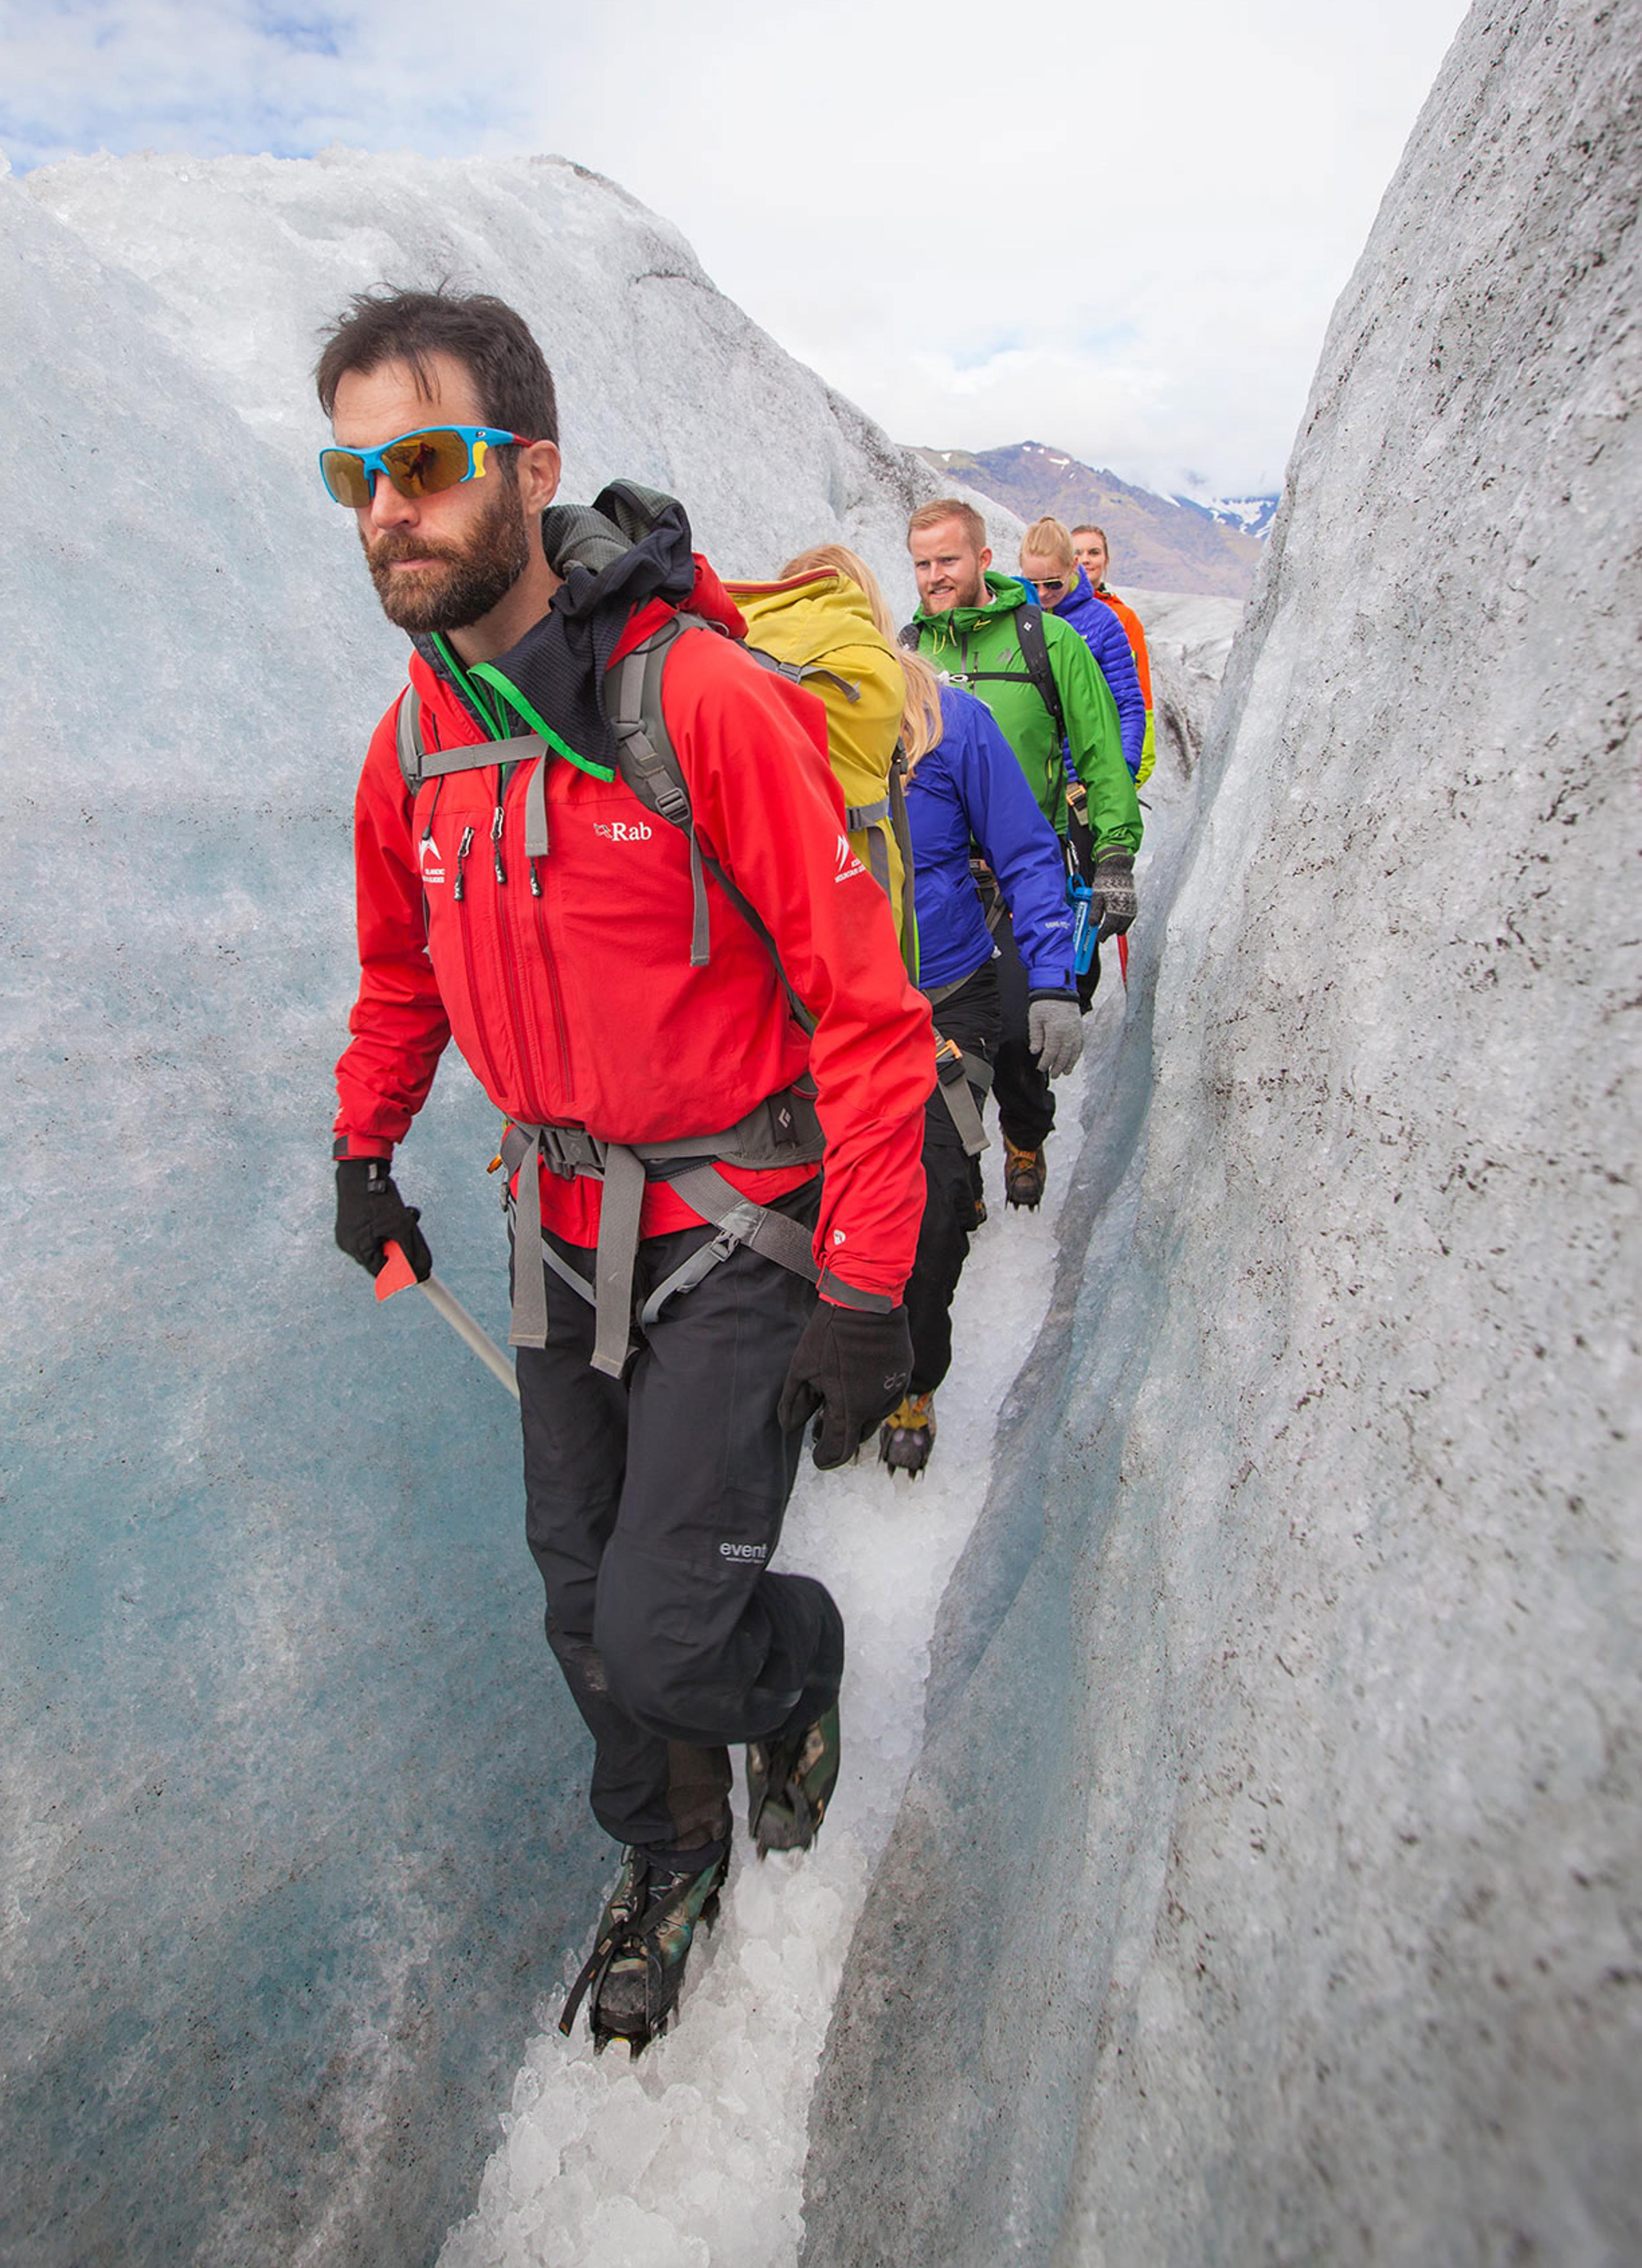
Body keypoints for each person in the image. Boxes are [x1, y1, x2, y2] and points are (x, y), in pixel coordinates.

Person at [322, 291, 937, 2056]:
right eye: (353, 472)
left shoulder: (704, 699)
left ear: (529, 467)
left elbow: (870, 1011)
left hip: (738, 1229)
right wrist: (364, 1136)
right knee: (580, 1604)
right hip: (558, 1233)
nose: (388, 508)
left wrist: (866, 1280)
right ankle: (669, 1848)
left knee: (674, 1633)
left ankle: (792, 1654)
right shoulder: (415, 744)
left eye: (422, 463)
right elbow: (401, 974)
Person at [781, 545, 1085, 1476]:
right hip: (819, 1016)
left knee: (934, 1206)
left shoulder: (951, 719)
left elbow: (1028, 852)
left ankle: (912, 1377)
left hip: (943, 1002)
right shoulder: (763, 728)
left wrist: (1050, 979)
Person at [906, 497, 1140, 1212]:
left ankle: (1025, 1134)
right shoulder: (908, 651)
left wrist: (1114, 854)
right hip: (937, 879)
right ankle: (955, 1171)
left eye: (948, 560)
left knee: (1015, 1028)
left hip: (1018, 870)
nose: (935, 577)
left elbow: (1101, 744)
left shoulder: (1049, 641)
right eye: (922, 563)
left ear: (983, 560)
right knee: (934, 1033)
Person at [1017, 518, 1146, 779]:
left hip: (1084, 781)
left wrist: (1125, 768)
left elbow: (1129, 703)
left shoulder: (1103, 621)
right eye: (1033, 584)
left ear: (1073, 566)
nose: (1042, 594)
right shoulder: (1012, 620)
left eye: (1054, 584)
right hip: (1029, 782)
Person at [1071, 524, 1156, 788]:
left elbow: (1139, 693)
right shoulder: (1048, 612)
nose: (1086, 559)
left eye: (1094, 552)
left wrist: (1135, 767)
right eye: (1078, 553)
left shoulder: (1124, 618)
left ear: (1106, 559)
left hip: (1109, 753)